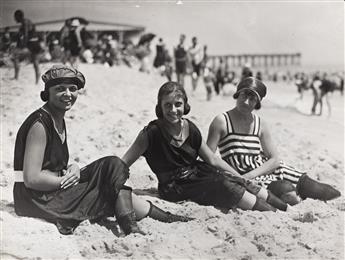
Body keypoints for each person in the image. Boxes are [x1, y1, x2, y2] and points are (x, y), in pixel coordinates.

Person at [13, 65, 191, 237]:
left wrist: (73, 168)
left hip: (51, 188)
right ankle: (133, 225)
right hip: (36, 199)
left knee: (112, 165)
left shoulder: (57, 117)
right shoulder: (40, 124)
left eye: (72, 89)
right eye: (60, 89)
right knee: (109, 183)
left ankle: (148, 220)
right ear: (48, 93)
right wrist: (65, 181)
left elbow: (50, 162)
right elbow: (31, 179)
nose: (67, 94)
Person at [121, 81, 289, 214]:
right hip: (174, 187)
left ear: (185, 105)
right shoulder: (151, 133)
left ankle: (286, 210)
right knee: (222, 183)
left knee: (235, 179)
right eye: (168, 105)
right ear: (160, 106)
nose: (173, 110)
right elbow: (124, 163)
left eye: (178, 104)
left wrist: (240, 176)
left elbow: (212, 158)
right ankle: (273, 213)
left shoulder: (190, 127)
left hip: (195, 175)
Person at [206, 77, 341, 205]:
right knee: (288, 193)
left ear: (257, 103)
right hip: (241, 176)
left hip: (265, 170)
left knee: (320, 190)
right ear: (238, 94)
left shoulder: (260, 124)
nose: (247, 102)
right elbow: (208, 157)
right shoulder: (221, 121)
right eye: (244, 95)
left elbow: (274, 159)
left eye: (252, 99)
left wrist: (251, 175)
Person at [12, 9, 41, 84]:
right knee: (35, 62)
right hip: (36, 43)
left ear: (18, 16)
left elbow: (26, 35)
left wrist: (23, 46)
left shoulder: (25, 22)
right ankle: (37, 81)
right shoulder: (27, 21)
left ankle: (16, 77)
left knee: (15, 56)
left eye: (15, 17)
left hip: (31, 44)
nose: (14, 19)